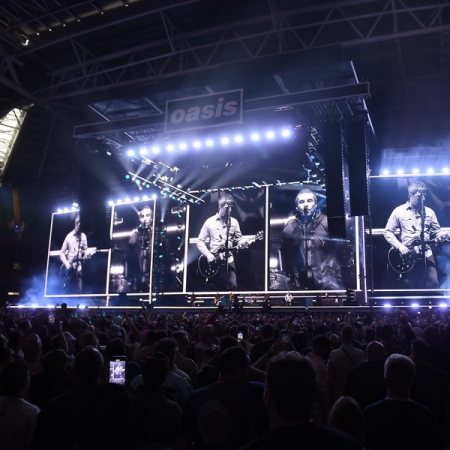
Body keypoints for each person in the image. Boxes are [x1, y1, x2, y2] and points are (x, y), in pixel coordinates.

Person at [384, 180, 447, 289]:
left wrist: (441, 235)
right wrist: (400, 247)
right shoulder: (399, 211)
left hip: (426, 253)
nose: (423, 198)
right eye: (419, 196)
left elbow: (436, 232)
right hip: (408, 254)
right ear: (410, 195)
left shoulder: (430, 212)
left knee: (433, 283)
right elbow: (387, 232)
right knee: (410, 285)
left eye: (424, 195)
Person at [280, 189, 342, 290]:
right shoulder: (290, 229)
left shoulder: (328, 223)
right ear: (297, 207)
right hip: (300, 282)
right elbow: (286, 257)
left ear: (316, 204)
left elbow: (340, 251)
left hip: (327, 281)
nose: (306, 204)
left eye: (309, 200)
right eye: (301, 202)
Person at [197, 193, 248, 290]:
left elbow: (238, 239)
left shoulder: (234, 222)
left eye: (231, 207)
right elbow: (200, 241)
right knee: (215, 289)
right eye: (227, 208)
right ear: (220, 207)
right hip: (214, 261)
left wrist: (242, 243)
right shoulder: (209, 222)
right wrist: (208, 255)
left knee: (232, 287)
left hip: (229, 260)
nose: (230, 210)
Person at [60, 215, 89, 293]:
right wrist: (67, 264)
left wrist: (86, 255)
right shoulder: (69, 237)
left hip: (79, 268)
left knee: (79, 291)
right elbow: (61, 253)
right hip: (69, 268)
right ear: (76, 223)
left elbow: (85, 250)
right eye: (79, 224)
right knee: (68, 291)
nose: (81, 226)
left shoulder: (83, 236)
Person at [128, 204, 153, 291]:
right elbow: (130, 257)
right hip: (138, 277)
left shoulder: (156, 235)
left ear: (151, 218)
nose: (145, 219)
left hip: (152, 277)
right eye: (142, 216)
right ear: (139, 219)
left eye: (147, 215)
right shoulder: (135, 235)